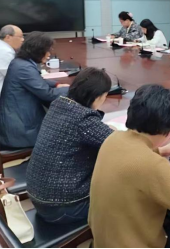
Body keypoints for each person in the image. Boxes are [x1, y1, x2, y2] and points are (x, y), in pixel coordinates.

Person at [89, 84, 170, 248]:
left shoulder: (113, 139)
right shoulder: (151, 164)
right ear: (169, 129)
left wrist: (159, 151)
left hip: (103, 240)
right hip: (131, 243)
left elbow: (133, 160)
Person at [27, 68, 114, 224]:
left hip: (39, 197)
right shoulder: (84, 119)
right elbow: (119, 145)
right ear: (98, 96)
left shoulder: (59, 104)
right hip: (64, 208)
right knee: (123, 192)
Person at [0, 32, 70, 150]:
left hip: (16, 124)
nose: (49, 54)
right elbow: (48, 95)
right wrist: (74, 89)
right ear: (38, 51)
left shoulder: (20, 62)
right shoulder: (24, 67)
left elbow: (36, 80)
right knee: (66, 137)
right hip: (20, 134)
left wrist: (57, 84)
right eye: (47, 50)